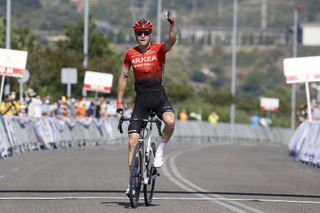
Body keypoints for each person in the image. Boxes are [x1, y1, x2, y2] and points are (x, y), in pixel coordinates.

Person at [116, 12, 177, 194]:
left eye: (146, 32)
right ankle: (132, 180)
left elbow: (172, 39)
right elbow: (123, 77)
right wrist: (119, 102)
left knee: (171, 121)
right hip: (141, 99)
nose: (143, 35)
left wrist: (173, 22)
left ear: (150, 34)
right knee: (132, 140)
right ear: (135, 35)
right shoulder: (130, 54)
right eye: (139, 33)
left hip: (159, 97)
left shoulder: (159, 49)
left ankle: (160, 149)